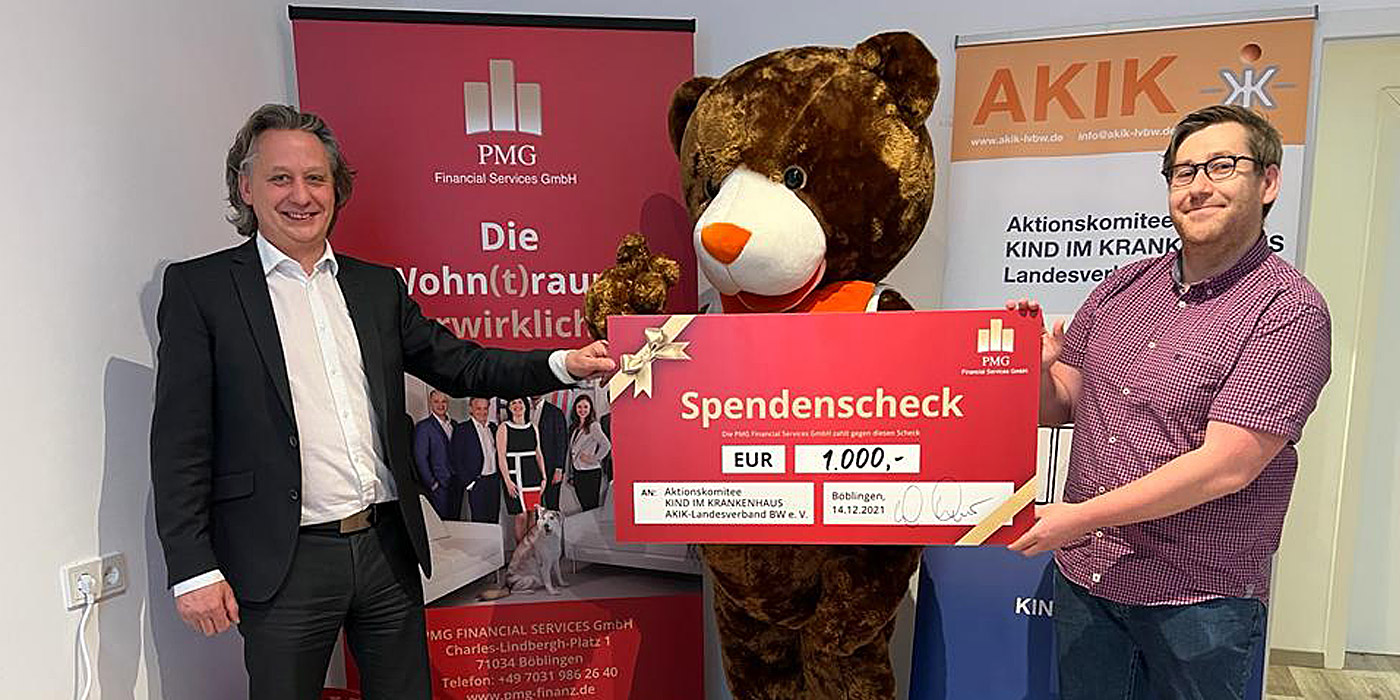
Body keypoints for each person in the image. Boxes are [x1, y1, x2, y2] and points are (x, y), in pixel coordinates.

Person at [149, 103, 614, 700]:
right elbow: (180, 443)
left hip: (386, 547)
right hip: (283, 560)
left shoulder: (376, 287)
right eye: (280, 178)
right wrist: (192, 567)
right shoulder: (202, 289)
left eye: (315, 178)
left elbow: (463, 364)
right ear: (246, 187)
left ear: (335, 188)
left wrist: (562, 364)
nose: (301, 196)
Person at [1007, 104, 1331, 700]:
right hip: (1089, 578)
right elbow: (1062, 403)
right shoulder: (1123, 286)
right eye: (1183, 172)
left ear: (1268, 181)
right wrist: (1036, 369)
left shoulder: (1289, 309)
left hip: (1197, 600)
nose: (1198, 186)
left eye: (1222, 166)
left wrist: (1079, 517)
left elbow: (1227, 465)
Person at [496, 397, 545, 545]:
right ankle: (520, 552)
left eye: (520, 402)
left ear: (525, 405)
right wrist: (507, 481)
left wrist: (544, 476)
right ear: (509, 408)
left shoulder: (533, 427)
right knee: (521, 515)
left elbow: (538, 453)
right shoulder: (504, 427)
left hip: (532, 476)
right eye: (513, 403)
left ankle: (530, 550)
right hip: (514, 476)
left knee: (532, 513)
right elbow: (501, 456)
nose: (517, 405)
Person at [451, 396, 500, 524]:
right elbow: (456, 459)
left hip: (493, 481)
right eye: (478, 408)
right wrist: (469, 483)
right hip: (477, 482)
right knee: (479, 521)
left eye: (485, 408)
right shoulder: (462, 429)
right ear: (471, 409)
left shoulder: (493, 428)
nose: (482, 412)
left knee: (494, 519)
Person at [412, 390, 460, 519]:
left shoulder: (454, 425)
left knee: (456, 523)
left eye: (444, 401)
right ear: (430, 403)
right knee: (441, 523)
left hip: (456, 484)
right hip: (439, 486)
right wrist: (432, 484)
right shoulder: (424, 427)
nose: (440, 405)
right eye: (436, 401)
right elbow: (420, 458)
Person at [567, 393, 611, 511]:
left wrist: (593, 459)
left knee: (591, 506)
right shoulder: (574, 427)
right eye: (579, 407)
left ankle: (594, 524)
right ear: (575, 409)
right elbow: (572, 452)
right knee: (584, 506)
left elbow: (606, 445)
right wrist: (571, 474)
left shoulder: (593, 426)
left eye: (585, 407)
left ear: (590, 408)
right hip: (578, 472)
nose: (582, 410)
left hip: (590, 472)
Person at [532, 393, 569, 510]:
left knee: (552, 505)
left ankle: (555, 524)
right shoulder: (524, 410)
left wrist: (559, 468)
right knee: (534, 506)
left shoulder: (555, 413)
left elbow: (562, 442)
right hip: (531, 468)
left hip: (551, 468)